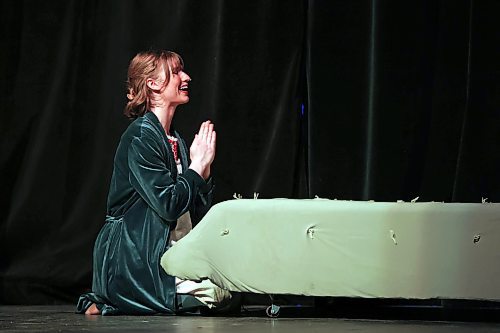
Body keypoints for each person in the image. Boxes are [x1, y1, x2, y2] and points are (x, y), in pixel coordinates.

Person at [77, 50, 228, 315]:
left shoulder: (175, 140)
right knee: (214, 296)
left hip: (174, 250)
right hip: (138, 254)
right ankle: (112, 294)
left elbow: (194, 212)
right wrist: (194, 169)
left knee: (231, 288)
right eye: (177, 72)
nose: (186, 77)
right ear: (153, 83)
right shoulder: (141, 137)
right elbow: (168, 205)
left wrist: (202, 174)